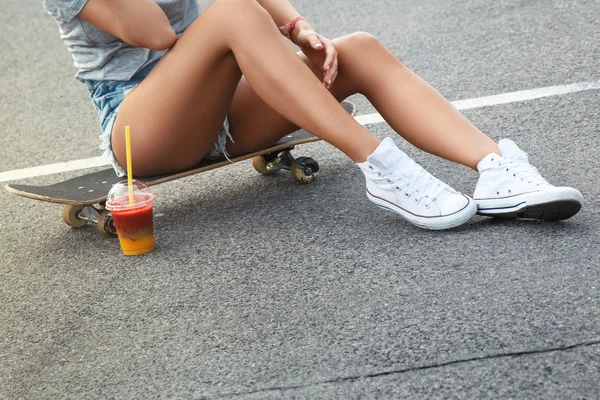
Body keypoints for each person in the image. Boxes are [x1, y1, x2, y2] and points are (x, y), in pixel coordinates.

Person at [40, 0, 583, 230]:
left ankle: (496, 170)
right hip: (141, 130)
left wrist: (298, 29)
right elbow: (154, 33)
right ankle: (384, 167)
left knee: (360, 48)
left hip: (219, 107)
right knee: (230, 14)